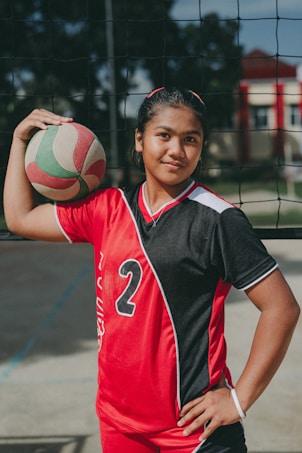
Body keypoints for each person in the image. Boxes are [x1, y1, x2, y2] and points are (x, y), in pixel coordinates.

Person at [4, 87, 300, 453]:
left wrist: (239, 400)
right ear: (140, 139)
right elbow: (21, 218)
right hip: (119, 422)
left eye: (190, 139)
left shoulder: (218, 220)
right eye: (164, 135)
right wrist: (20, 141)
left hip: (193, 430)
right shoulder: (107, 208)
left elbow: (282, 308)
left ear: (202, 146)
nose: (177, 150)